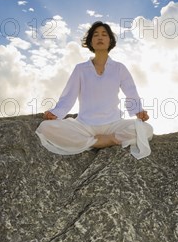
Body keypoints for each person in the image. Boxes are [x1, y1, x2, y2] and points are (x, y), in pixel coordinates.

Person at [35, 21, 153, 159]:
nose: (100, 37)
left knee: (147, 129)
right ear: (91, 42)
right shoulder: (80, 69)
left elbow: (131, 92)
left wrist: (138, 110)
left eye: (104, 34)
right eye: (96, 35)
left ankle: (108, 139)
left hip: (113, 124)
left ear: (110, 41)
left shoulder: (119, 68)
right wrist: (56, 113)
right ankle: (96, 142)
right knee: (45, 127)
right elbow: (69, 96)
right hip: (84, 125)